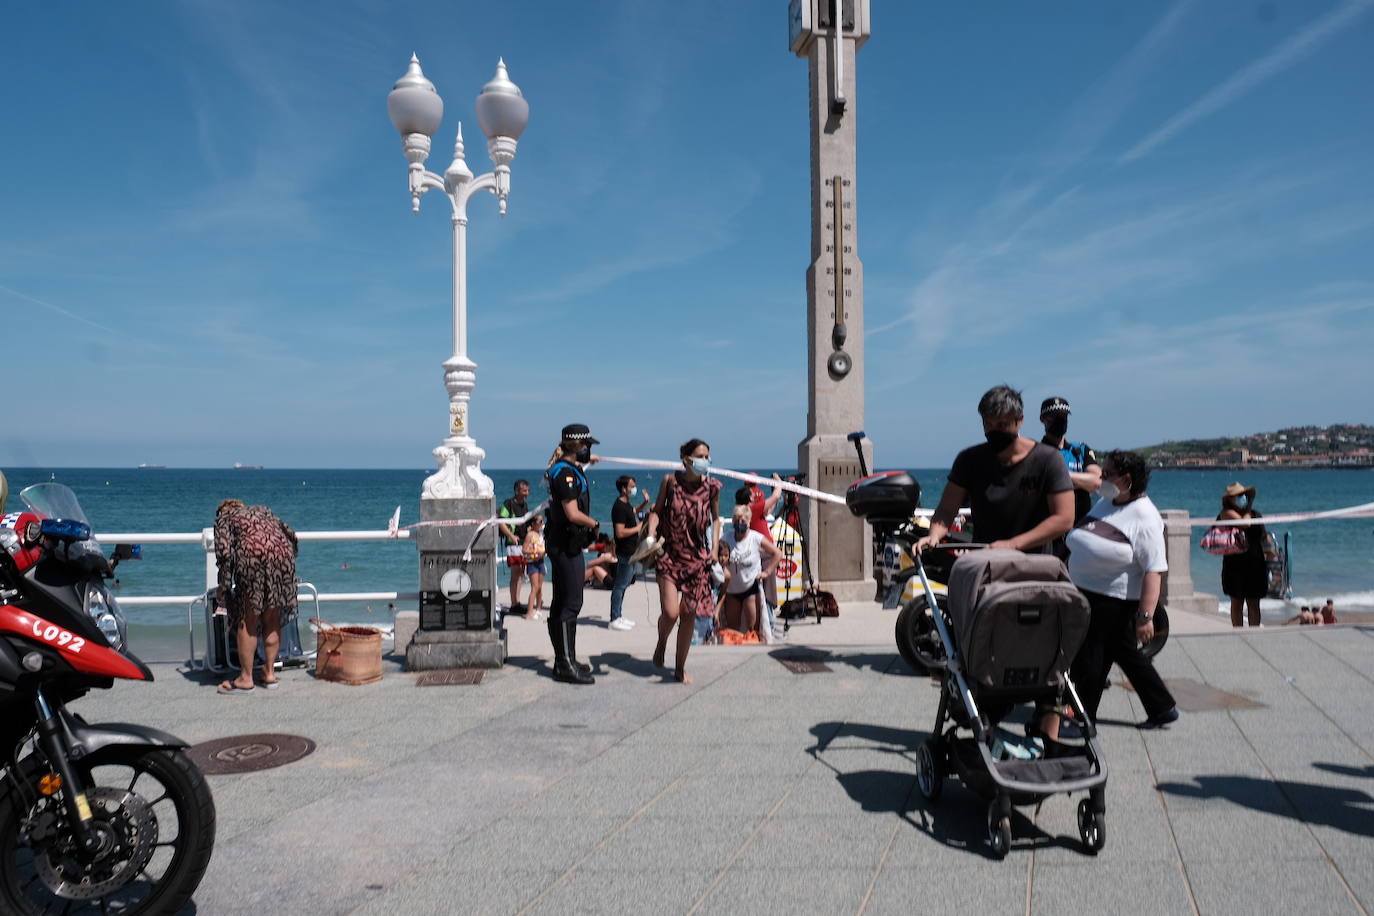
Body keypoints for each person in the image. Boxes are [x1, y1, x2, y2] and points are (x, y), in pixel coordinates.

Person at [1062, 450, 1179, 730]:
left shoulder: (1145, 517)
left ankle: (1083, 714)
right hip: (1086, 591)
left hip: (1113, 600)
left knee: (1092, 657)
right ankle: (1162, 707)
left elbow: (1154, 570)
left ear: (1126, 479)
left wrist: (1146, 617)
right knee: (1125, 654)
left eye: (1108, 473)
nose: (1101, 478)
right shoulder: (1107, 502)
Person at [914, 385, 1075, 555]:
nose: (994, 431)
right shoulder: (969, 460)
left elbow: (1064, 518)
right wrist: (934, 535)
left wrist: (1013, 544)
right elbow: (947, 509)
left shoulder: (1048, 459)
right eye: (988, 424)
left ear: (1019, 420)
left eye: (1002, 425)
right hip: (985, 561)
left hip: (1033, 565)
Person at [645, 438, 722, 684]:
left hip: (697, 560)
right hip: (669, 555)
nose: (705, 461)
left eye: (707, 456)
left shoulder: (712, 487)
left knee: (688, 614)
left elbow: (717, 520)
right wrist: (649, 535)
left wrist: (715, 549)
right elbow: (656, 511)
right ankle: (661, 642)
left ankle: (679, 667)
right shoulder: (670, 482)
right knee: (670, 613)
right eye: (700, 456)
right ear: (687, 459)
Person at [212, 499, 299, 694]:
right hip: (282, 554)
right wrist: (286, 561)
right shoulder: (264, 510)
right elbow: (291, 535)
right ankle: (269, 673)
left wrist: (224, 585)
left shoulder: (224, 518)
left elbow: (225, 553)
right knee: (271, 614)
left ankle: (245, 678)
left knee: (247, 618)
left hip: (253, 557)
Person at [544, 424, 601, 685]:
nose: (589, 450)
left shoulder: (567, 469)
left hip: (564, 544)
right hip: (566, 545)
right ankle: (564, 664)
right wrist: (594, 524)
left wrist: (589, 462)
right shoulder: (565, 474)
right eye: (586, 446)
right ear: (576, 445)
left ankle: (566, 658)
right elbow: (572, 513)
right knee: (571, 603)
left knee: (561, 603)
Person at [1039, 397, 1100, 557]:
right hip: (1051, 535)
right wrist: (1080, 480)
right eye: (1055, 417)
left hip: (1082, 531)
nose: (1060, 421)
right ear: (1043, 420)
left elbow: (1095, 482)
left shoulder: (1080, 450)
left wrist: (1059, 476)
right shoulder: (1036, 453)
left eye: (1063, 417)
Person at [720, 504, 782, 638]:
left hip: (750, 588)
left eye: (742, 521)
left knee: (753, 629)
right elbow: (716, 554)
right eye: (736, 520)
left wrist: (767, 572)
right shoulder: (726, 538)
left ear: (749, 521)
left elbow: (777, 553)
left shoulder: (756, 538)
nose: (739, 524)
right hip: (732, 590)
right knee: (732, 630)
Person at [1219, 481, 1267, 628]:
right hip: (1234, 564)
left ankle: (1254, 632)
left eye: (1244, 495)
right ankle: (1238, 632)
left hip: (1255, 563)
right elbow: (1244, 524)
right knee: (1237, 602)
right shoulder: (1226, 513)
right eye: (1238, 496)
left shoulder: (1255, 514)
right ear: (1230, 499)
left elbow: (1263, 536)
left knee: (1254, 603)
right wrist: (1248, 509)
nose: (1242, 497)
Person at [608, 476, 650, 630]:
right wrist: (638, 528)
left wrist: (644, 503)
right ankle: (614, 619)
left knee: (625, 584)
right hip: (625, 552)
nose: (634, 489)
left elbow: (632, 511)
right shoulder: (618, 506)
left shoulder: (625, 505)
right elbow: (619, 533)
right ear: (624, 489)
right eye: (632, 486)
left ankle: (618, 615)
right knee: (620, 585)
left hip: (631, 551)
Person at [498, 479, 532, 615]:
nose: (526, 493)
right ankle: (514, 603)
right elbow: (501, 521)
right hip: (513, 543)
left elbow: (527, 523)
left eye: (528, 491)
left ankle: (517, 602)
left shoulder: (525, 505)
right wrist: (511, 536)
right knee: (515, 573)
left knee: (521, 574)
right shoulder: (509, 503)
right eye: (524, 491)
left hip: (523, 543)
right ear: (517, 491)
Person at [522, 514, 547, 619]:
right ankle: (529, 611)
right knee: (534, 587)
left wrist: (543, 553)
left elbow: (543, 548)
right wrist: (534, 551)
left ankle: (538, 608)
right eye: (539, 521)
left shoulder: (541, 535)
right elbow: (524, 550)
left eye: (542, 521)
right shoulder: (530, 535)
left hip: (541, 561)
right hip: (532, 562)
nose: (541, 523)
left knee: (540, 587)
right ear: (533, 523)